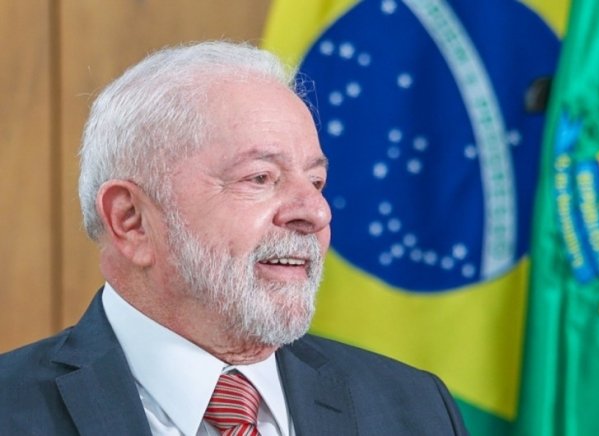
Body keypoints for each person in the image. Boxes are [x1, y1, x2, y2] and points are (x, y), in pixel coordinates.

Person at [0, 41, 469, 435]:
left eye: (317, 181)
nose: (315, 212)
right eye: (260, 178)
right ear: (131, 220)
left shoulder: (415, 409)